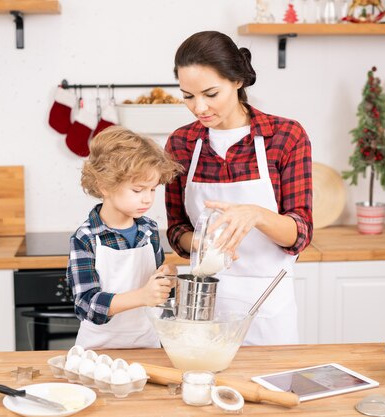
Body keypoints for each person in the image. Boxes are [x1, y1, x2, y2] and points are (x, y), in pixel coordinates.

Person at [165, 31, 313, 346]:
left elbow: (300, 234)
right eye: (188, 96)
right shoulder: (181, 143)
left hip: (268, 306)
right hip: (203, 305)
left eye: (210, 93)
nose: (199, 108)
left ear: (237, 81)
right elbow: (177, 230)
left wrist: (256, 215)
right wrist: (204, 243)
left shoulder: (285, 136)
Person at [68, 126, 182, 349]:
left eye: (152, 190)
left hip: (147, 345)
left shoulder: (149, 230)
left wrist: (168, 279)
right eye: (138, 190)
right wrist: (142, 296)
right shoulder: (86, 238)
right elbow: (86, 305)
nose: (147, 199)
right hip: (98, 350)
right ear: (105, 186)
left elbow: (156, 296)